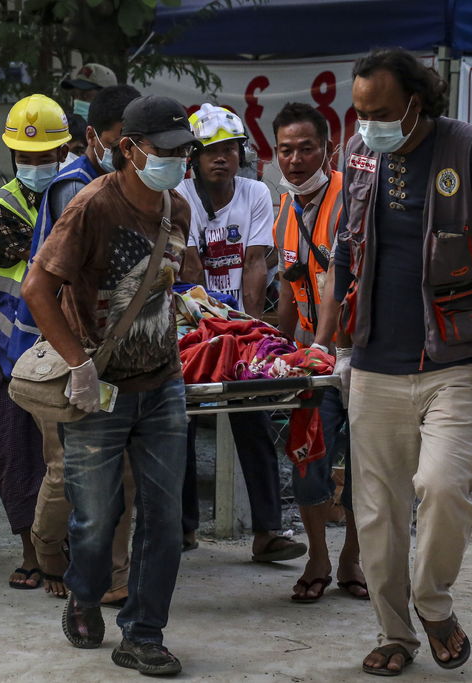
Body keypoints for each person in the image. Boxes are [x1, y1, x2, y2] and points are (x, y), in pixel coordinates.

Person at [332, 48, 472, 675]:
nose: (369, 125)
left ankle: (433, 603)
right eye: (360, 113)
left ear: (416, 102)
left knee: (444, 486)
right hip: (374, 364)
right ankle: (394, 634)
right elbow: (346, 252)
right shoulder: (359, 156)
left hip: (455, 359)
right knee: (375, 512)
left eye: (381, 112)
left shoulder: (469, 148)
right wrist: (340, 346)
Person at [21, 94, 195, 676]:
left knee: (164, 519)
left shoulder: (178, 208)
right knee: (96, 520)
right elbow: (36, 289)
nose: (178, 161)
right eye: (166, 151)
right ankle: (83, 592)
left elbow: (170, 282)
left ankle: (143, 634)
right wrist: (79, 365)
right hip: (100, 391)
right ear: (130, 149)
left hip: (164, 383)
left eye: (184, 150)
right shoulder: (92, 206)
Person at [11, 84, 142, 601]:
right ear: (94, 138)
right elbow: (61, 286)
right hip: (63, 350)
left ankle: (114, 575)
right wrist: (80, 360)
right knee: (67, 467)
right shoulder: (77, 189)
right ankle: (48, 554)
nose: (130, 152)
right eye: (120, 142)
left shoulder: (125, 185)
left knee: (120, 468)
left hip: (110, 349)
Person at [177, 103, 307, 563]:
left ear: (241, 154)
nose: (222, 158)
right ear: (194, 157)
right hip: (192, 322)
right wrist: (212, 327)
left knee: (254, 417)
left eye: (230, 149)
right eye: (211, 150)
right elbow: (190, 268)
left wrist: (249, 331)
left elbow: (255, 263)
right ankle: (183, 527)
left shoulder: (254, 193)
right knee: (181, 422)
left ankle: (267, 532)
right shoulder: (179, 195)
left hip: (239, 324)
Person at [0, 94, 71, 591]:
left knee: (65, 457)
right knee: (17, 456)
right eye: (25, 157)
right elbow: (48, 256)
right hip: (5, 352)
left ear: (63, 152)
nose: (34, 164)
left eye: (43, 156)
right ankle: (32, 553)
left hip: (60, 350)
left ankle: (62, 549)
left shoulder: (75, 195)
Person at [270, 102, 367, 602]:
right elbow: (290, 288)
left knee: (366, 464)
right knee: (307, 459)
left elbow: (338, 283)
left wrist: (328, 347)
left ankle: (352, 556)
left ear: (328, 150)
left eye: (306, 148)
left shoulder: (351, 202)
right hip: (313, 359)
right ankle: (317, 555)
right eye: (285, 150)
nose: (295, 160)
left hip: (362, 355)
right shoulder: (285, 210)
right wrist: (276, 352)